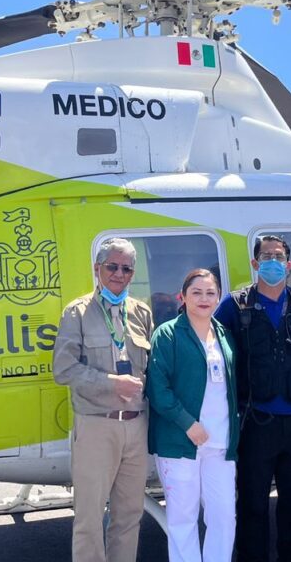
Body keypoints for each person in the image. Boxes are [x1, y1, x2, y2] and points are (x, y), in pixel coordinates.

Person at [215, 234, 291, 562]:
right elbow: (215, 350)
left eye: (279, 257)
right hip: (255, 421)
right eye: (266, 257)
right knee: (251, 504)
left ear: (289, 264)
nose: (273, 263)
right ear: (255, 263)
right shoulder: (234, 305)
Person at [52, 237, 155, 562]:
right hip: (97, 426)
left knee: (129, 516)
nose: (119, 274)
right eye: (112, 266)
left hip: (136, 428)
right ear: (98, 269)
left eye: (126, 268)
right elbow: (63, 369)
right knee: (89, 519)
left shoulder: (141, 312)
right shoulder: (77, 312)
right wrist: (112, 383)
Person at [146, 269, 240, 562]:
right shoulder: (168, 333)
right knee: (183, 520)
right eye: (196, 292)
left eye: (210, 293)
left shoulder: (223, 334)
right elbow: (157, 388)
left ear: (218, 298)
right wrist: (188, 424)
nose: (204, 298)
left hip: (220, 444)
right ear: (183, 297)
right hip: (181, 443)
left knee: (224, 516)